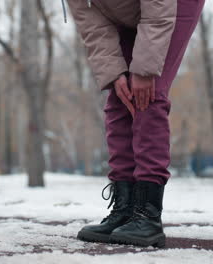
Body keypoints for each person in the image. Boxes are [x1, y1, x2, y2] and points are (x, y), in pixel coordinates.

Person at [66, 0, 205, 247]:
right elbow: (92, 24)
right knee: (120, 99)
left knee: (148, 97)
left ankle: (147, 217)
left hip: (169, 5)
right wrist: (114, 73)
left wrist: (144, 69)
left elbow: (158, 6)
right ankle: (125, 210)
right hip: (127, 10)